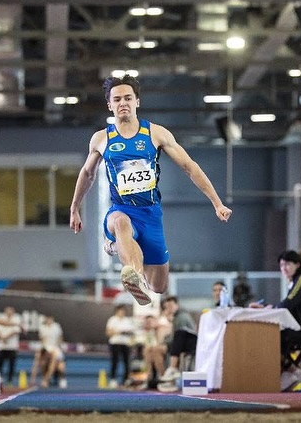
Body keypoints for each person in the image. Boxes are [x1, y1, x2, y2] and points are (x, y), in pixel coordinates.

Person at [69, 74, 233, 306]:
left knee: (159, 286)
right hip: (121, 209)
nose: (123, 103)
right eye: (117, 99)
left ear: (137, 101)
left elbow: (190, 167)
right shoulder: (101, 139)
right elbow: (87, 173)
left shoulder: (156, 134)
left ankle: (116, 248)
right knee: (121, 224)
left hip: (151, 214)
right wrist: (75, 208)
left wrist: (217, 203)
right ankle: (133, 276)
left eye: (128, 98)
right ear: (110, 105)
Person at [249, 250, 301, 391]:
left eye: (287, 264)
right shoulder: (294, 282)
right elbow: (286, 304)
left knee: (267, 338)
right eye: (281, 265)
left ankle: (293, 371)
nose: (284, 268)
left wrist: (269, 308)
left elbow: (289, 302)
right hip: (298, 327)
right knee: (268, 337)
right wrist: (266, 307)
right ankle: (292, 371)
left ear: (297, 265)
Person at [158, 296, 198, 391]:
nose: (169, 309)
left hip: (190, 344)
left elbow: (178, 336)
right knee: (154, 349)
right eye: (167, 307)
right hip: (181, 343)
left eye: (171, 306)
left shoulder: (182, 317)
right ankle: (167, 377)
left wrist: (165, 344)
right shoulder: (177, 317)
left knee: (161, 348)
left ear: (177, 305)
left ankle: (171, 372)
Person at [30, 315, 67, 388]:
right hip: (45, 347)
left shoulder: (57, 326)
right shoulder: (42, 328)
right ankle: (41, 379)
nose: (49, 320)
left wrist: (61, 346)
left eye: (50, 319)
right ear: (46, 319)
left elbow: (60, 338)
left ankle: (52, 379)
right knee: (41, 362)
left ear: (52, 319)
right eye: (48, 319)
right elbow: (42, 339)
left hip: (55, 347)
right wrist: (32, 380)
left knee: (60, 366)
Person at [105, 304, 136, 388]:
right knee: (115, 362)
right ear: (116, 311)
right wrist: (119, 332)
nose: (122, 312)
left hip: (125, 343)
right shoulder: (112, 320)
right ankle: (113, 379)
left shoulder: (128, 320)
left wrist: (127, 333)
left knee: (127, 362)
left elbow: (132, 332)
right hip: (115, 343)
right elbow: (108, 332)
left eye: (123, 311)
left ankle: (125, 380)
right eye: (120, 311)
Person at [0, 306, 23, 386]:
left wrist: (5, 337)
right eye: (7, 311)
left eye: (10, 311)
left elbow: (16, 330)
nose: (9, 312)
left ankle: (10, 380)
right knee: (0, 364)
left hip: (12, 346)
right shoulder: (0, 318)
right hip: (1, 346)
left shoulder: (17, 319)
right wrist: (1, 338)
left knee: (11, 365)